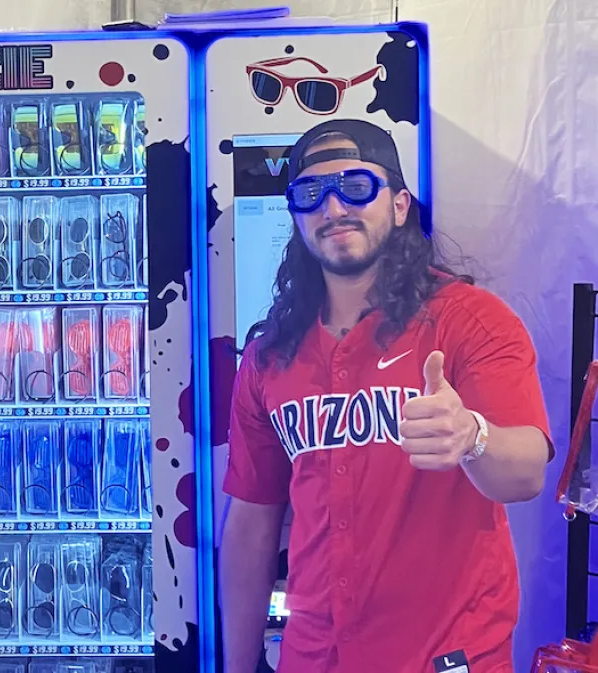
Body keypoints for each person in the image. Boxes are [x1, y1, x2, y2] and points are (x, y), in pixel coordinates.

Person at [219, 119, 553, 673]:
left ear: (399, 205)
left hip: (445, 655)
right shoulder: (268, 358)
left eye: (356, 186)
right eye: (311, 194)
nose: (333, 209)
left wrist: (472, 437)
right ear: (296, 216)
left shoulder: (470, 322)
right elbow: (251, 525)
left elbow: (526, 475)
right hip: (314, 655)